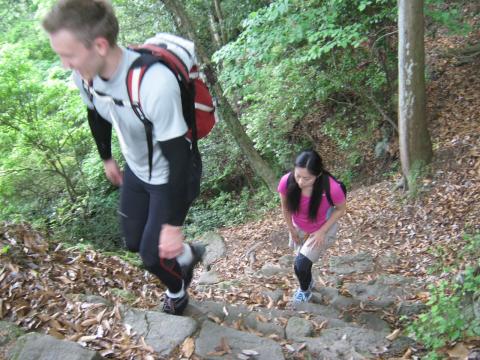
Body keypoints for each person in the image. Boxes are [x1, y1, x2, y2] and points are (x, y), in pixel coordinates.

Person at [42, 0, 204, 315]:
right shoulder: (84, 76)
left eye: (68, 55)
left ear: (99, 45)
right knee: (132, 241)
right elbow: (97, 114)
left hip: (169, 176)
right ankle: (186, 254)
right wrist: (106, 157)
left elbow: (179, 159)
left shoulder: (154, 84)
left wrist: (172, 225)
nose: (65, 65)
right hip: (136, 169)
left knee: (151, 256)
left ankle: (178, 290)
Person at [278, 150, 347, 305]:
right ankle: (308, 282)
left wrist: (322, 231)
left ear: (318, 174)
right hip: (298, 226)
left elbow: (341, 209)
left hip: (322, 228)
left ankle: (304, 292)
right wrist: (291, 229)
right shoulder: (286, 181)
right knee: (301, 263)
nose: (301, 182)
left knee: (300, 264)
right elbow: (285, 208)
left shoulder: (331, 188)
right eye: (298, 176)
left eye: (307, 178)